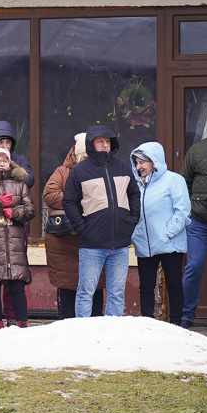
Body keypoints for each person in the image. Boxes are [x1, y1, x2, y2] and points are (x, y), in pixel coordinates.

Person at [62, 126, 140, 317]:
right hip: (92, 243)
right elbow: (69, 201)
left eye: (108, 141)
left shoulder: (122, 166)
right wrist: (81, 227)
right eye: (100, 141)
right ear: (91, 144)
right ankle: (83, 333)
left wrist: (132, 219)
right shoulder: (81, 170)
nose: (105, 145)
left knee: (117, 293)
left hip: (121, 243)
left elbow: (134, 194)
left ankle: (112, 333)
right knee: (86, 292)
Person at [44, 134, 105, 318]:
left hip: (93, 236)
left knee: (95, 283)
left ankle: (95, 325)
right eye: (85, 157)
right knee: (67, 283)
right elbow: (49, 195)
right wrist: (75, 198)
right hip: (65, 240)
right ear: (77, 155)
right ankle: (67, 324)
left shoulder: (104, 170)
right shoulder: (62, 172)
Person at [130, 143, 191, 324]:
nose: (138, 166)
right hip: (145, 244)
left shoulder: (174, 180)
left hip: (170, 243)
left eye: (142, 162)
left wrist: (168, 233)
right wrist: (135, 235)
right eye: (136, 162)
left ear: (154, 162)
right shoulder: (136, 185)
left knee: (174, 286)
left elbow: (183, 211)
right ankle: (148, 324)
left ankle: (176, 323)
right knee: (146, 287)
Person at [180, 109, 207, 332]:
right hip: (199, 222)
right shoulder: (196, 151)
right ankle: (187, 315)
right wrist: (190, 208)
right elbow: (184, 183)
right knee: (194, 267)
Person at [0, 146, 36, 330]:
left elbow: (31, 209)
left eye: (4, 160)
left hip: (14, 239)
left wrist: (13, 212)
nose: (2, 164)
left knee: (17, 284)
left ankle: (22, 323)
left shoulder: (20, 183)